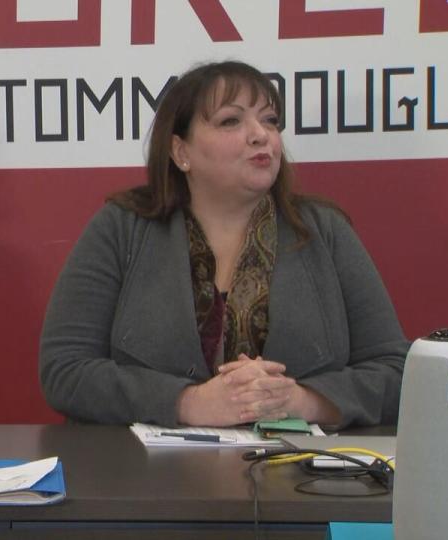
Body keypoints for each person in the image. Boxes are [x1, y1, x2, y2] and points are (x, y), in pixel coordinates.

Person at [39, 61, 406, 429]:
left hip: (299, 478)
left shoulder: (325, 231)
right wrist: (187, 403)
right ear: (180, 151)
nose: (261, 135)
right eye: (231, 121)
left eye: (271, 121)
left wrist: (303, 402)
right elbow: (65, 371)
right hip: (142, 477)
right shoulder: (122, 227)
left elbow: (396, 372)